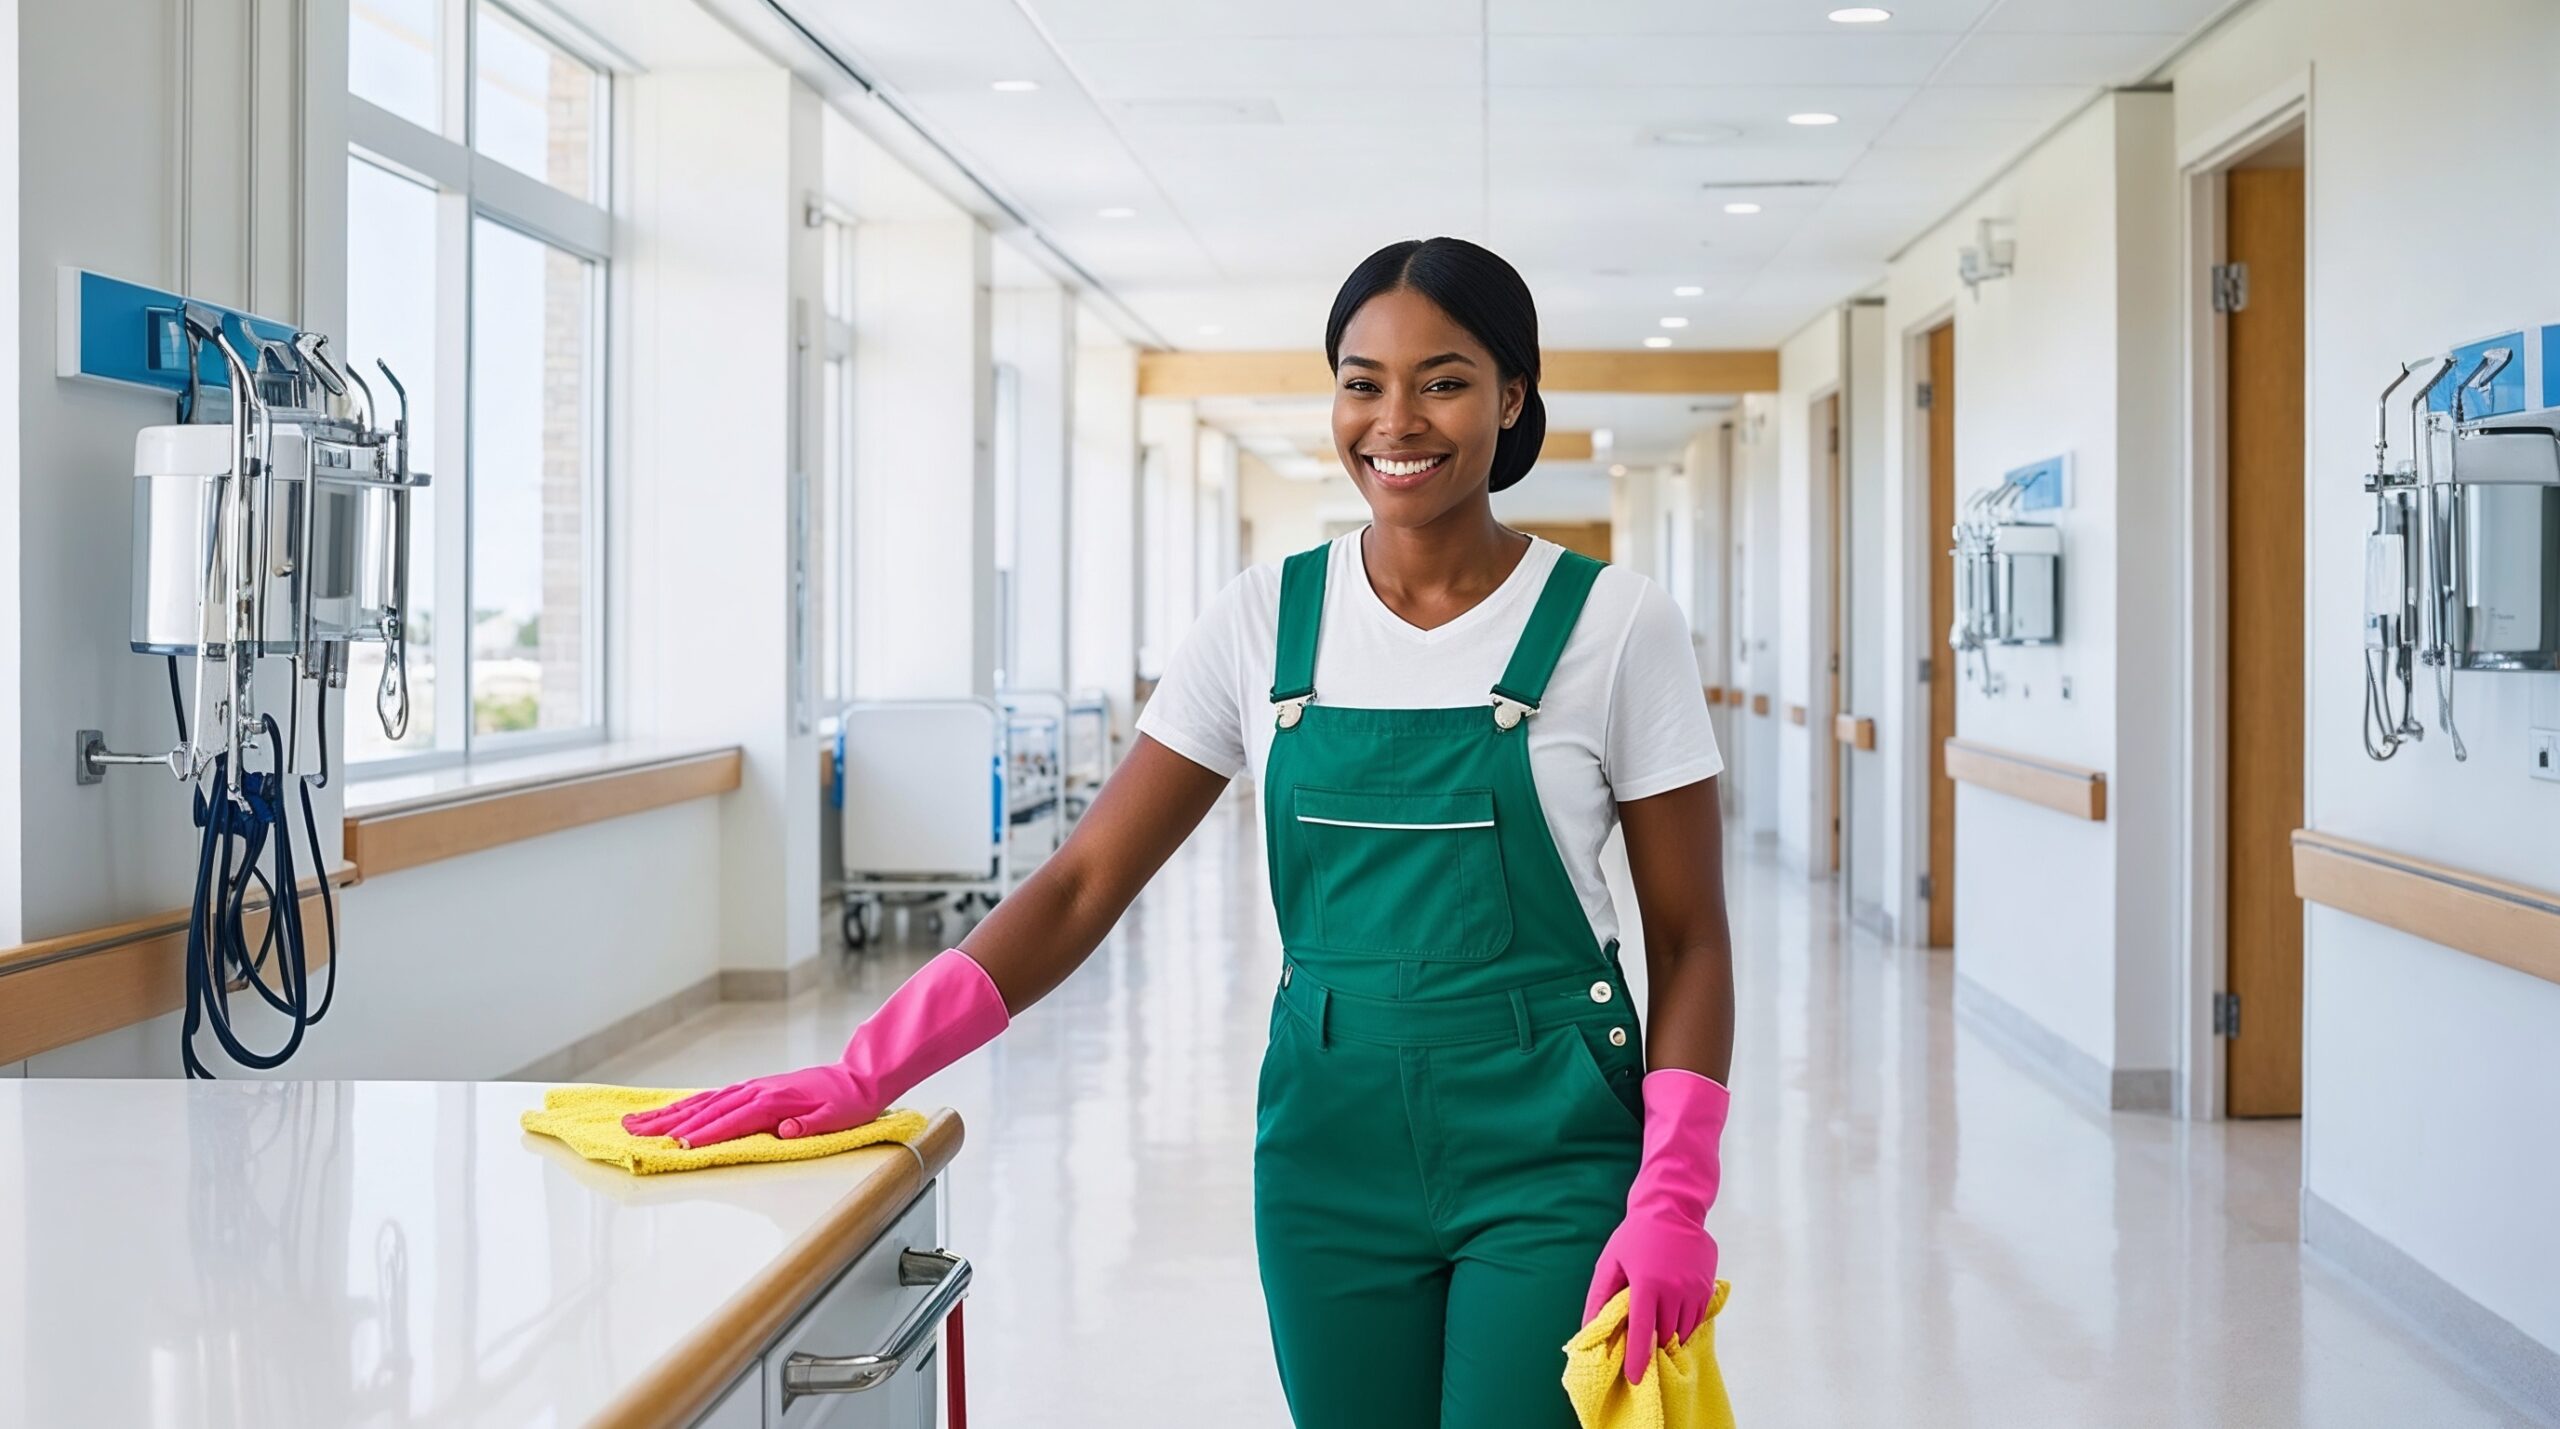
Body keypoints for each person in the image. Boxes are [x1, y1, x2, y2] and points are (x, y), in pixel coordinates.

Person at [626, 236, 1738, 1428]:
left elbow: (1687, 939)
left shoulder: (1615, 625)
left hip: (1548, 1142)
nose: (1395, 419)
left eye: (1445, 379)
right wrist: (866, 1069)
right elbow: (1085, 881)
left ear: (1512, 396)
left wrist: (1672, 1192)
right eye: (1361, 381)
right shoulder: (1264, 619)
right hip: (1330, 1144)